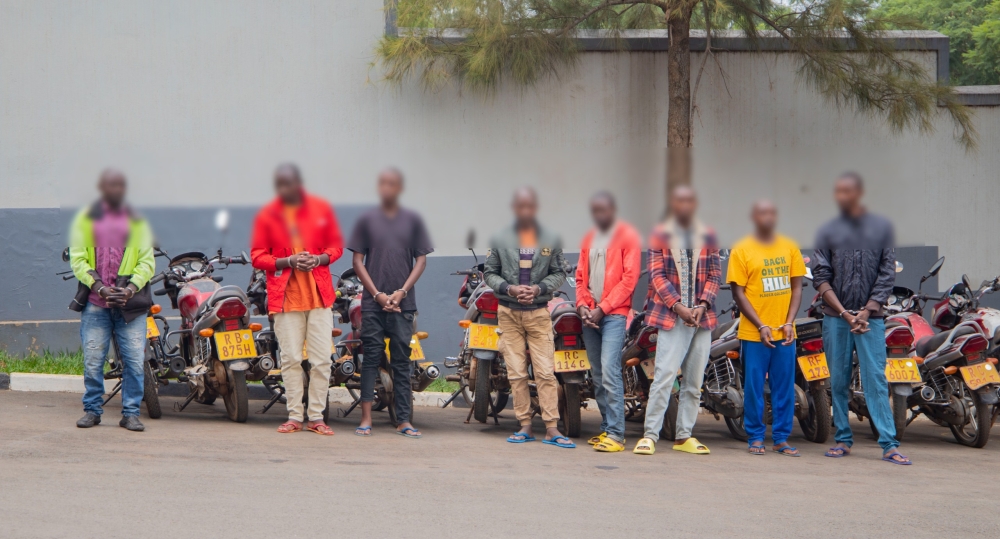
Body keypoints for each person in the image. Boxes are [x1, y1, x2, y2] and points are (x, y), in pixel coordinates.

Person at [813, 172, 910, 464]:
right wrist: (844, 313)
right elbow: (820, 276)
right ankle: (843, 439)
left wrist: (867, 311)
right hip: (836, 319)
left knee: (876, 381)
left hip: (872, 320)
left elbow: (887, 274)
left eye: (849, 191)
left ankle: (889, 444)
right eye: (839, 192)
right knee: (839, 381)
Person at [250, 163, 343, 436]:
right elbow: (257, 256)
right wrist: (288, 260)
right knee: (290, 359)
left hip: (319, 298)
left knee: (322, 360)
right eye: (280, 184)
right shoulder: (267, 216)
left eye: (289, 183)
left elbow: (335, 246)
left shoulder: (321, 209)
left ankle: (316, 417)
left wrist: (318, 259)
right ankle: (294, 416)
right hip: (285, 300)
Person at [634, 186, 721, 456]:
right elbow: (657, 277)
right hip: (672, 317)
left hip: (701, 319)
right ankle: (650, 435)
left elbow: (716, 275)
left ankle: (684, 436)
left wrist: (702, 305)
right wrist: (680, 307)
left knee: (694, 383)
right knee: (663, 378)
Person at [484, 187, 573, 448]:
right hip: (509, 314)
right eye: (520, 207)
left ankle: (551, 428)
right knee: (516, 373)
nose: (525, 211)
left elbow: (558, 272)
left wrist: (539, 289)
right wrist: (509, 289)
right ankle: (525, 426)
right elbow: (490, 272)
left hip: (539, 314)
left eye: (530, 207)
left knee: (546, 372)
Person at [348, 168, 433, 438]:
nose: (387, 188)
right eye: (383, 183)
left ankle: (404, 420)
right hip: (373, 305)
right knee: (371, 359)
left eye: (392, 184)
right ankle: (366, 418)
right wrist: (377, 295)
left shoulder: (413, 221)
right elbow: (357, 262)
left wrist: (401, 293)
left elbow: (421, 260)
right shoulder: (366, 221)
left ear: (400, 188)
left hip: (403, 305)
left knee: (401, 361)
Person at [69, 169, 155, 432]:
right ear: (101, 188)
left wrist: (129, 289)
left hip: (130, 307)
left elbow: (147, 262)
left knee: (133, 362)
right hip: (96, 303)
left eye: (119, 185)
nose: (115, 189)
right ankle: (92, 411)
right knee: (93, 361)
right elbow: (78, 259)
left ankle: (130, 413)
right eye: (110, 185)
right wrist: (99, 287)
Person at [727, 200, 805, 456]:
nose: (767, 217)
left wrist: (789, 322)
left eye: (772, 212)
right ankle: (756, 437)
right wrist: (761, 325)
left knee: (785, 388)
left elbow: (797, 287)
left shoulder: (789, 247)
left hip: (785, 333)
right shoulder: (741, 250)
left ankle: (782, 438)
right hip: (753, 334)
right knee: (754, 388)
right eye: (762, 213)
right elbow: (738, 293)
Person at [575, 192, 642, 453]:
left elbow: (630, 279)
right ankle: (606, 428)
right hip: (590, 316)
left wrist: (602, 309)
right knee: (598, 373)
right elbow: (581, 278)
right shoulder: (589, 238)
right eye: (594, 210)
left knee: (610, 370)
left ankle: (617, 433)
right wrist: (582, 306)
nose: (599, 215)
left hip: (613, 315)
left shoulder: (628, 236)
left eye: (603, 210)